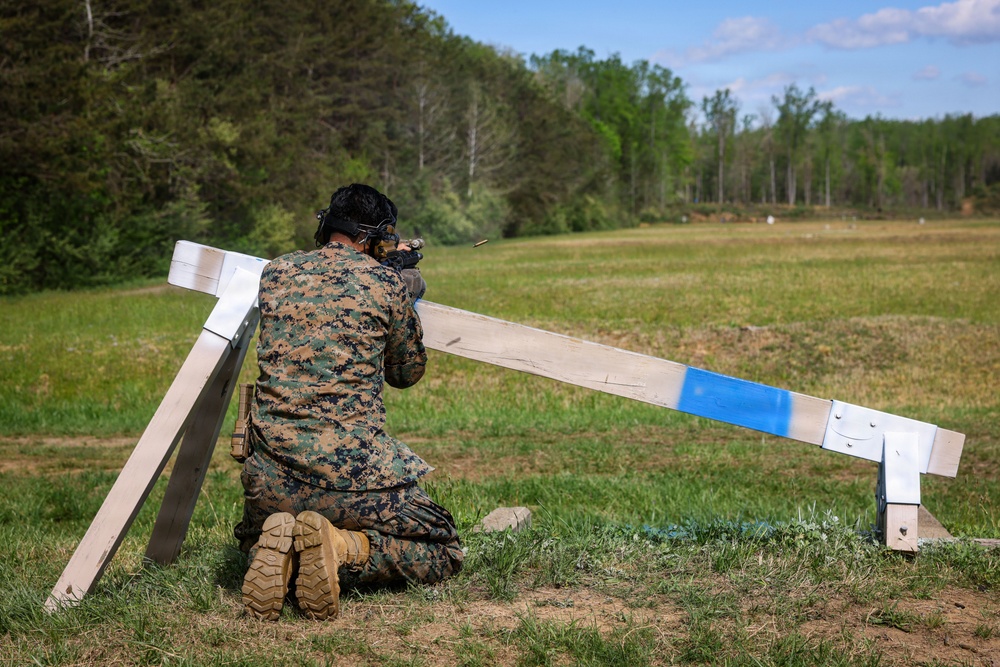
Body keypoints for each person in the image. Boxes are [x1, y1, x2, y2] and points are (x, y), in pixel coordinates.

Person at [234, 183, 464, 621]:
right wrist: (403, 291)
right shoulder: (386, 283)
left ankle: (281, 549)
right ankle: (341, 547)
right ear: (376, 238)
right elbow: (406, 374)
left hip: (269, 481)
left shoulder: (276, 273)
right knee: (444, 548)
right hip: (355, 479)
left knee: (257, 536)